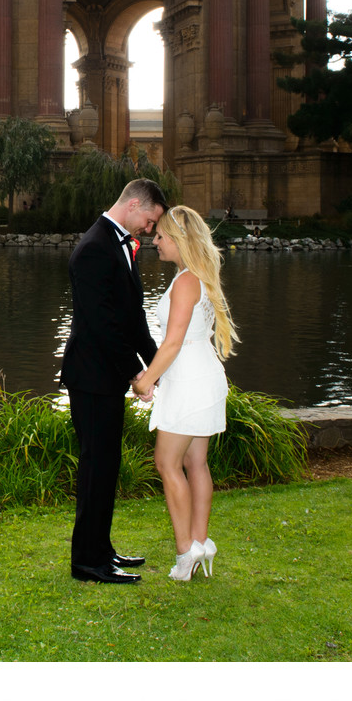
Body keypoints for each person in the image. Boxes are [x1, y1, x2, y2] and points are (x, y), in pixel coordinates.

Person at [60, 178, 168, 584]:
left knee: (107, 465)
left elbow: (132, 318)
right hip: (90, 377)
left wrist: (158, 364)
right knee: (95, 467)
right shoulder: (93, 248)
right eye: (150, 219)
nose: (150, 228)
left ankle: (102, 550)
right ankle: (87, 562)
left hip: (106, 375)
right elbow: (103, 325)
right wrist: (136, 374)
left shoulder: (119, 243)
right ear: (134, 203)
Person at [133, 206, 238, 582]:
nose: (154, 241)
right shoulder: (195, 277)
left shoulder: (186, 282)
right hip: (200, 376)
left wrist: (146, 380)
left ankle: (185, 552)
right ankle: (201, 542)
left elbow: (174, 342)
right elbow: (180, 341)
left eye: (160, 236)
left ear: (178, 239)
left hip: (190, 380)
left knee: (166, 463)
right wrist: (157, 376)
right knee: (196, 464)